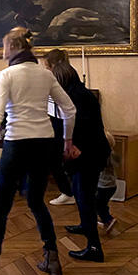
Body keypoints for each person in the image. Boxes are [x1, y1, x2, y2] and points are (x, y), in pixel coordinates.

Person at [0, 27, 76, 275]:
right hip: (44, 145)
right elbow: (69, 109)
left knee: (0, 209)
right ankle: (52, 257)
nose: (2, 52)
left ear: (13, 47)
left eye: (3, 47)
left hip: (17, 144)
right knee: (37, 202)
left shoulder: (7, 75)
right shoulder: (45, 74)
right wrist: (67, 140)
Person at [45, 49, 110, 262]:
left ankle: (94, 248)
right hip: (86, 152)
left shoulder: (77, 96)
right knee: (82, 194)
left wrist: (76, 146)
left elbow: (85, 126)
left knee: (84, 197)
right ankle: (85, 225)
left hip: (89, 153)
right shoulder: (77, 92)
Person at [96, 132, 118, 233]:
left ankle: (108, 220)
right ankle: (105, 218)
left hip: (103, 186)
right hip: (111, 185)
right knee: (102, 203)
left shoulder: (103, 156)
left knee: (98, 204)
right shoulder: (112, 154)